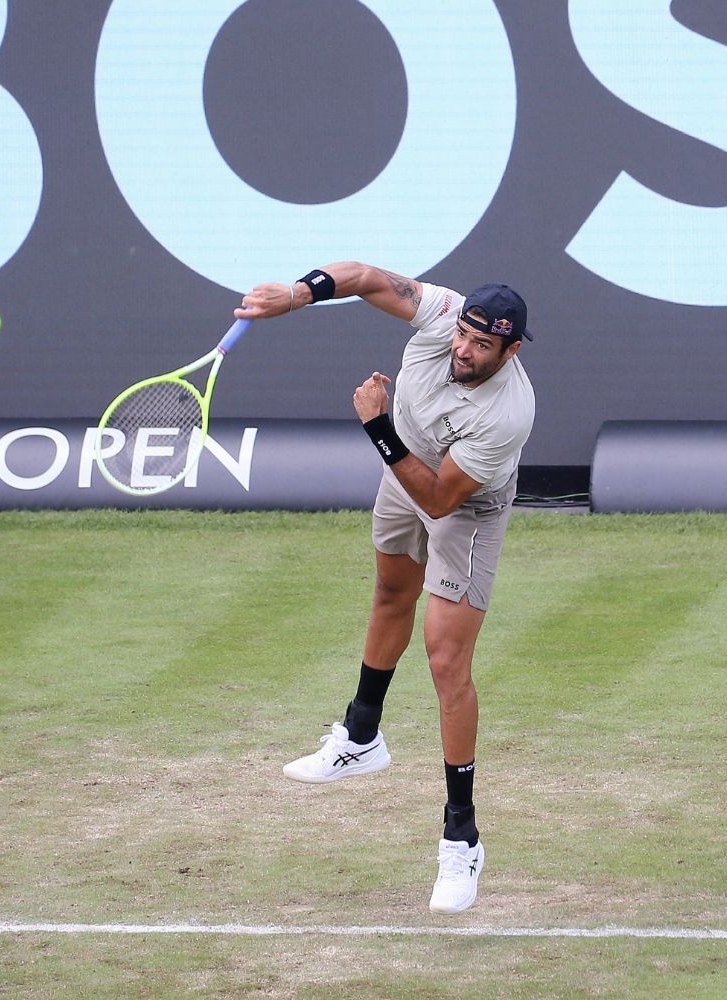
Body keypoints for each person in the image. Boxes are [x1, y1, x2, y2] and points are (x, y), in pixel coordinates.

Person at [234, 263, 536, 914]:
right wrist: (296, 296)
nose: (465, 349)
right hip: (403, 472)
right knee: (391, 594)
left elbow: (440, 497)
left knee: (446, 660)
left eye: (484, 346)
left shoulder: (506, 414)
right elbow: (367, 277)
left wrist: (376, 425)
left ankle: (462, 837)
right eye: (464, 335)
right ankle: (361, 737)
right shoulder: (442, 312)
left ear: (510, 352)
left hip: (463, 509)